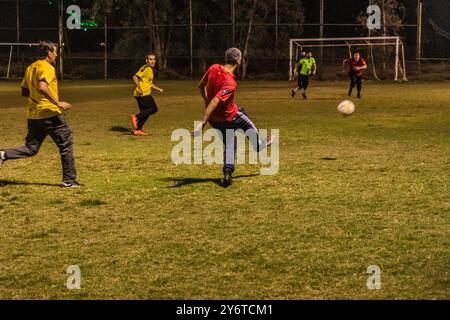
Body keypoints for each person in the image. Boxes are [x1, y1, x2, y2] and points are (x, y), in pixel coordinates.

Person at [0, 41, 79, 188]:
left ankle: (3, 154)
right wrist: (57, 102)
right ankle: (69, 180)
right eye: (55, 52)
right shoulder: (47, 67)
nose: (56, 54)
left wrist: (36, 97)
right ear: (49, 53)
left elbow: (24, 91)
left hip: (34, 114)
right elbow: (43, 87)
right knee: (66, 143)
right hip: (50, 113)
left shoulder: (31, 67)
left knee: (31, 148)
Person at [193, 48, 273, 188]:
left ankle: (227, 173)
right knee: (245, 119)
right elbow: (215, 101)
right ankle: (261, 144)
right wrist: (202, 123)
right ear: (238, 61)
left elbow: (201, 85)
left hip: (215, 120)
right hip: (231, 117)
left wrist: (206, 102)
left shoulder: (213, 68)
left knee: (230, 142)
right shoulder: (230, 81)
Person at [130, 53, 164, 136]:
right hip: (143, 94)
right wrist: (140, 89)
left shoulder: (150, 69)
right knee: (154, 109)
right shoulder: (146, 68)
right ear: (147, 60)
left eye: (154, 59)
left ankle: (138, 130)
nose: (152, 61)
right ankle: (136, 117)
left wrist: (158, 88)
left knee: (145, 112)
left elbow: (149, 83)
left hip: (142, 94)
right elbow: (135, 77)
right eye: (150, 59)